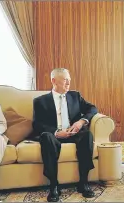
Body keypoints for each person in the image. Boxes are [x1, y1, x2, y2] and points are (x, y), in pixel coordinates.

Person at [32, 68, 98, 202]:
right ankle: (54, 186)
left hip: (73, 133)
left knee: (87, 136)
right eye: (65, 80)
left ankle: (83, 182)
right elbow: (37, 124)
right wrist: (56, 132)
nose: (68, 82)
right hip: (54, 135)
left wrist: (81, 121)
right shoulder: (40, 101)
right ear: (54, 81)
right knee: (46, 137)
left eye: (69, 79)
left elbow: (93, 108)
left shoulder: (75, 96)